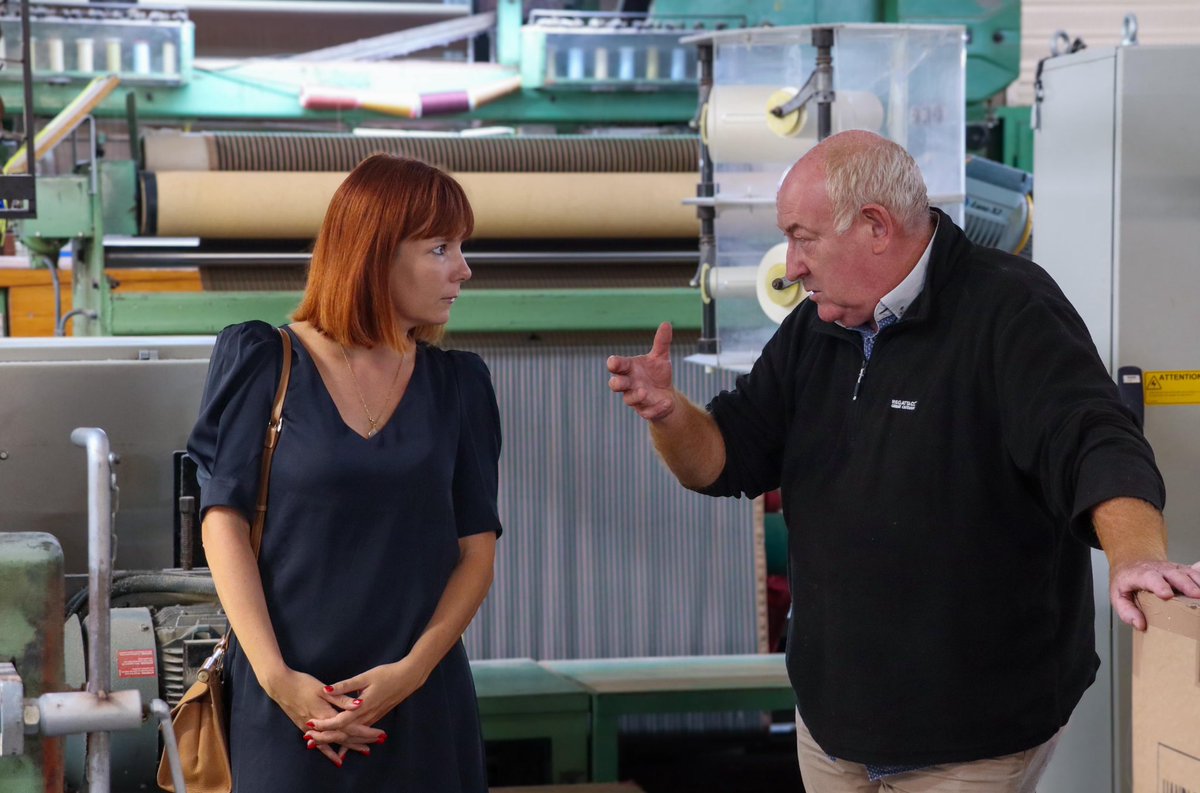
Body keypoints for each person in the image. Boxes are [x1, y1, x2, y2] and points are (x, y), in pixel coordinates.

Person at [607, 130, 1200, 792]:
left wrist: (1137, 555)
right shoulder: (815, 329)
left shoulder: (1009, 311)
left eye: (803, 237)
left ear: (875, 227)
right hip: (834, 726)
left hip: (971, 734)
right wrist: (668, 413)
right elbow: (723, 457)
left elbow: (1096, 441)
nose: (790, 266)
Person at [189, 153, 502, 792]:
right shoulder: (262, 361)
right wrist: (279, 680)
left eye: (462, 248)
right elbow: (222, 523)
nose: (463, 270)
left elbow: (476, 551)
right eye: (440, 248)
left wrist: (411, 672)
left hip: (419, 703)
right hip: (289, 704)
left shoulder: (459, 385)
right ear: (375, 252)